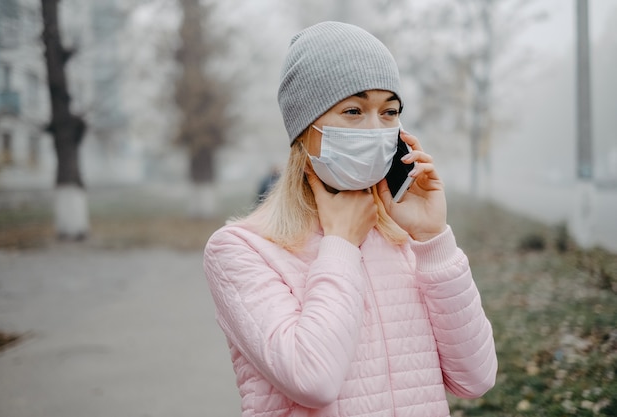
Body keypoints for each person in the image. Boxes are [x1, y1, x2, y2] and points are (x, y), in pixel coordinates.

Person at [203, 21, 497, 417]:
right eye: (354, 110)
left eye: (389, 111)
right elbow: (312, 380)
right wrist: (340, 244)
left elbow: (475, 379)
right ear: (305, 130)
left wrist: (432, 239)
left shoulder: (406, 239)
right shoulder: (242, 249)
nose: (376, 129)